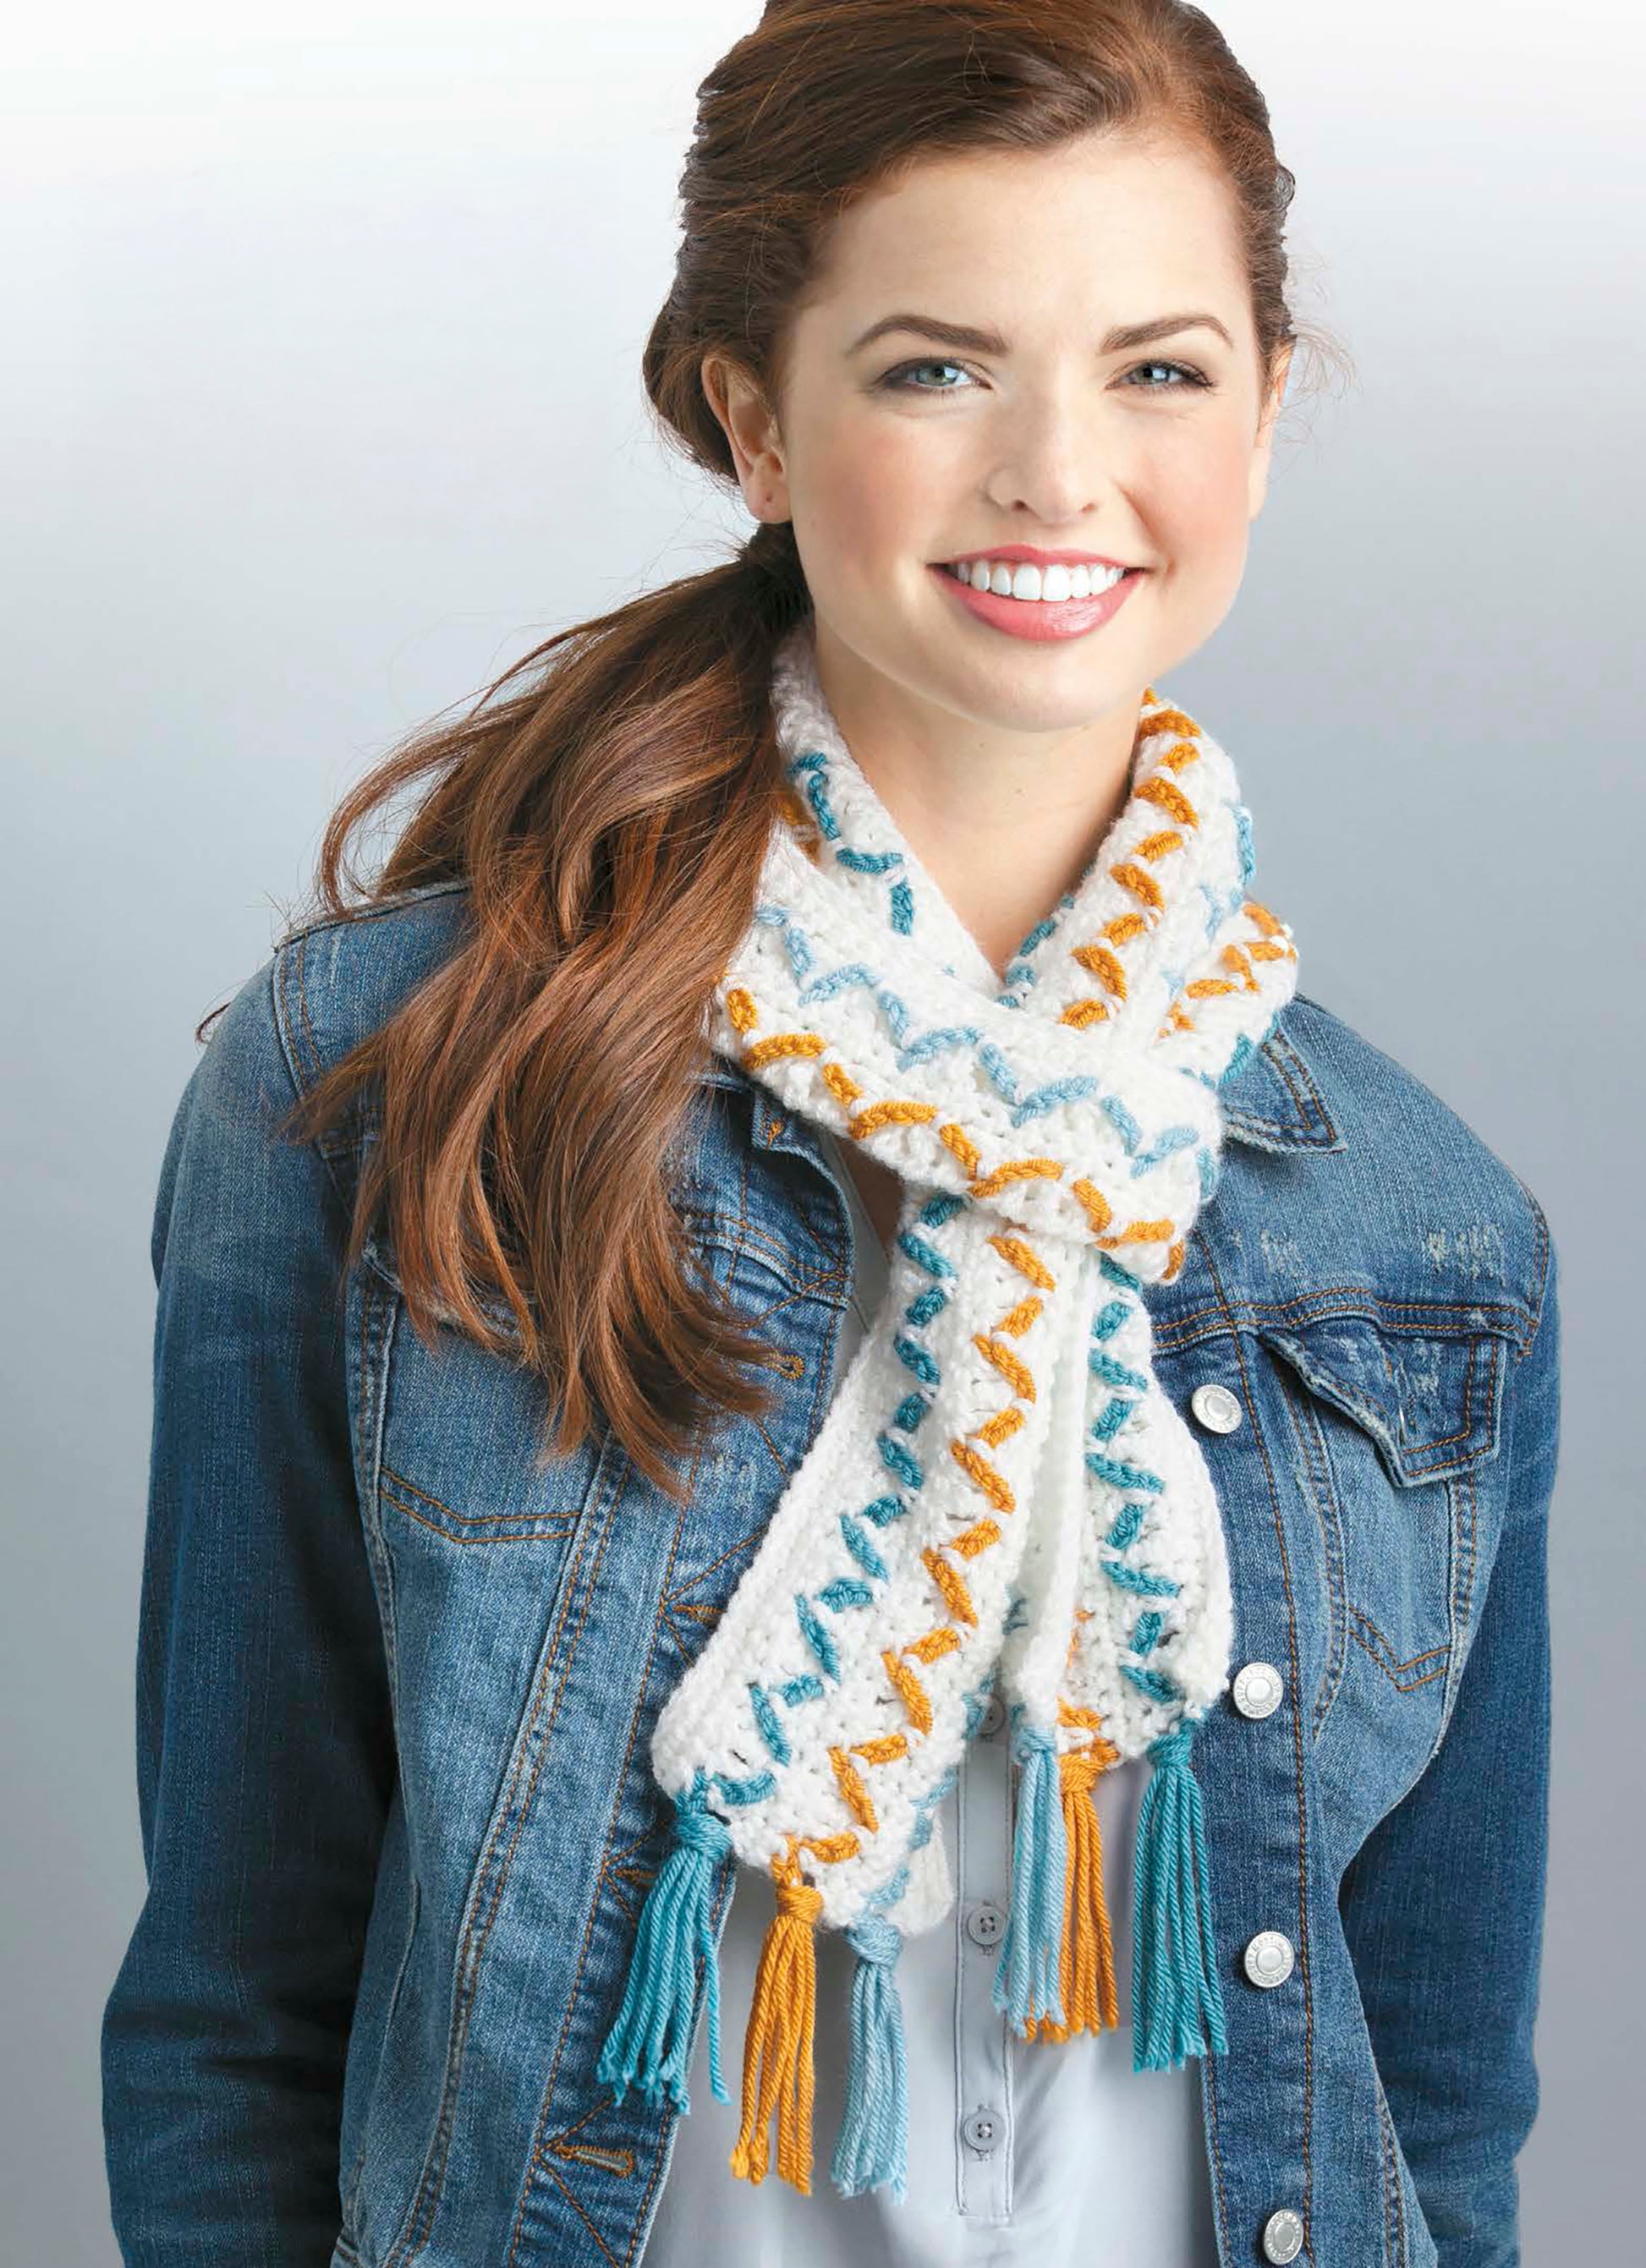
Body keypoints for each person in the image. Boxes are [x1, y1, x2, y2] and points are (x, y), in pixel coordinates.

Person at [99, 3, 1561, 2265]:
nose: (1058, 476)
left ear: (1266, 418)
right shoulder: (389, 1088)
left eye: (1160, 369)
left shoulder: (1429, 1231)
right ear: (749, 416)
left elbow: (1441, 2121)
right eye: (933, 368)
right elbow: (240, 2001)